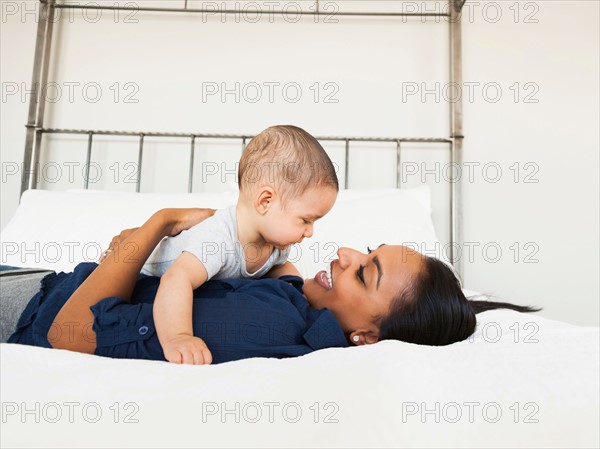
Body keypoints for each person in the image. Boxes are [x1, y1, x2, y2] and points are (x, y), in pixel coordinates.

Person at [5, 208, 540, 364]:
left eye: (364, 272)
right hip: (33, 276)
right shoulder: (301, 307)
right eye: (366, 250)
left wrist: (152, 230)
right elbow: (285, 275)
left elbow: (70, 335)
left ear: (368, 337)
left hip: (25, 307)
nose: (345, 253)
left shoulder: (268, 326)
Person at [139, 125, 338, 364]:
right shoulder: (217, 239)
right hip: (143, 276)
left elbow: (279, 267)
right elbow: (176, 279)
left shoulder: (276, 242)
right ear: (265, 201)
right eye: (306, 220)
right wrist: (178, 337)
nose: (310, 232)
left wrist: (300, 291)